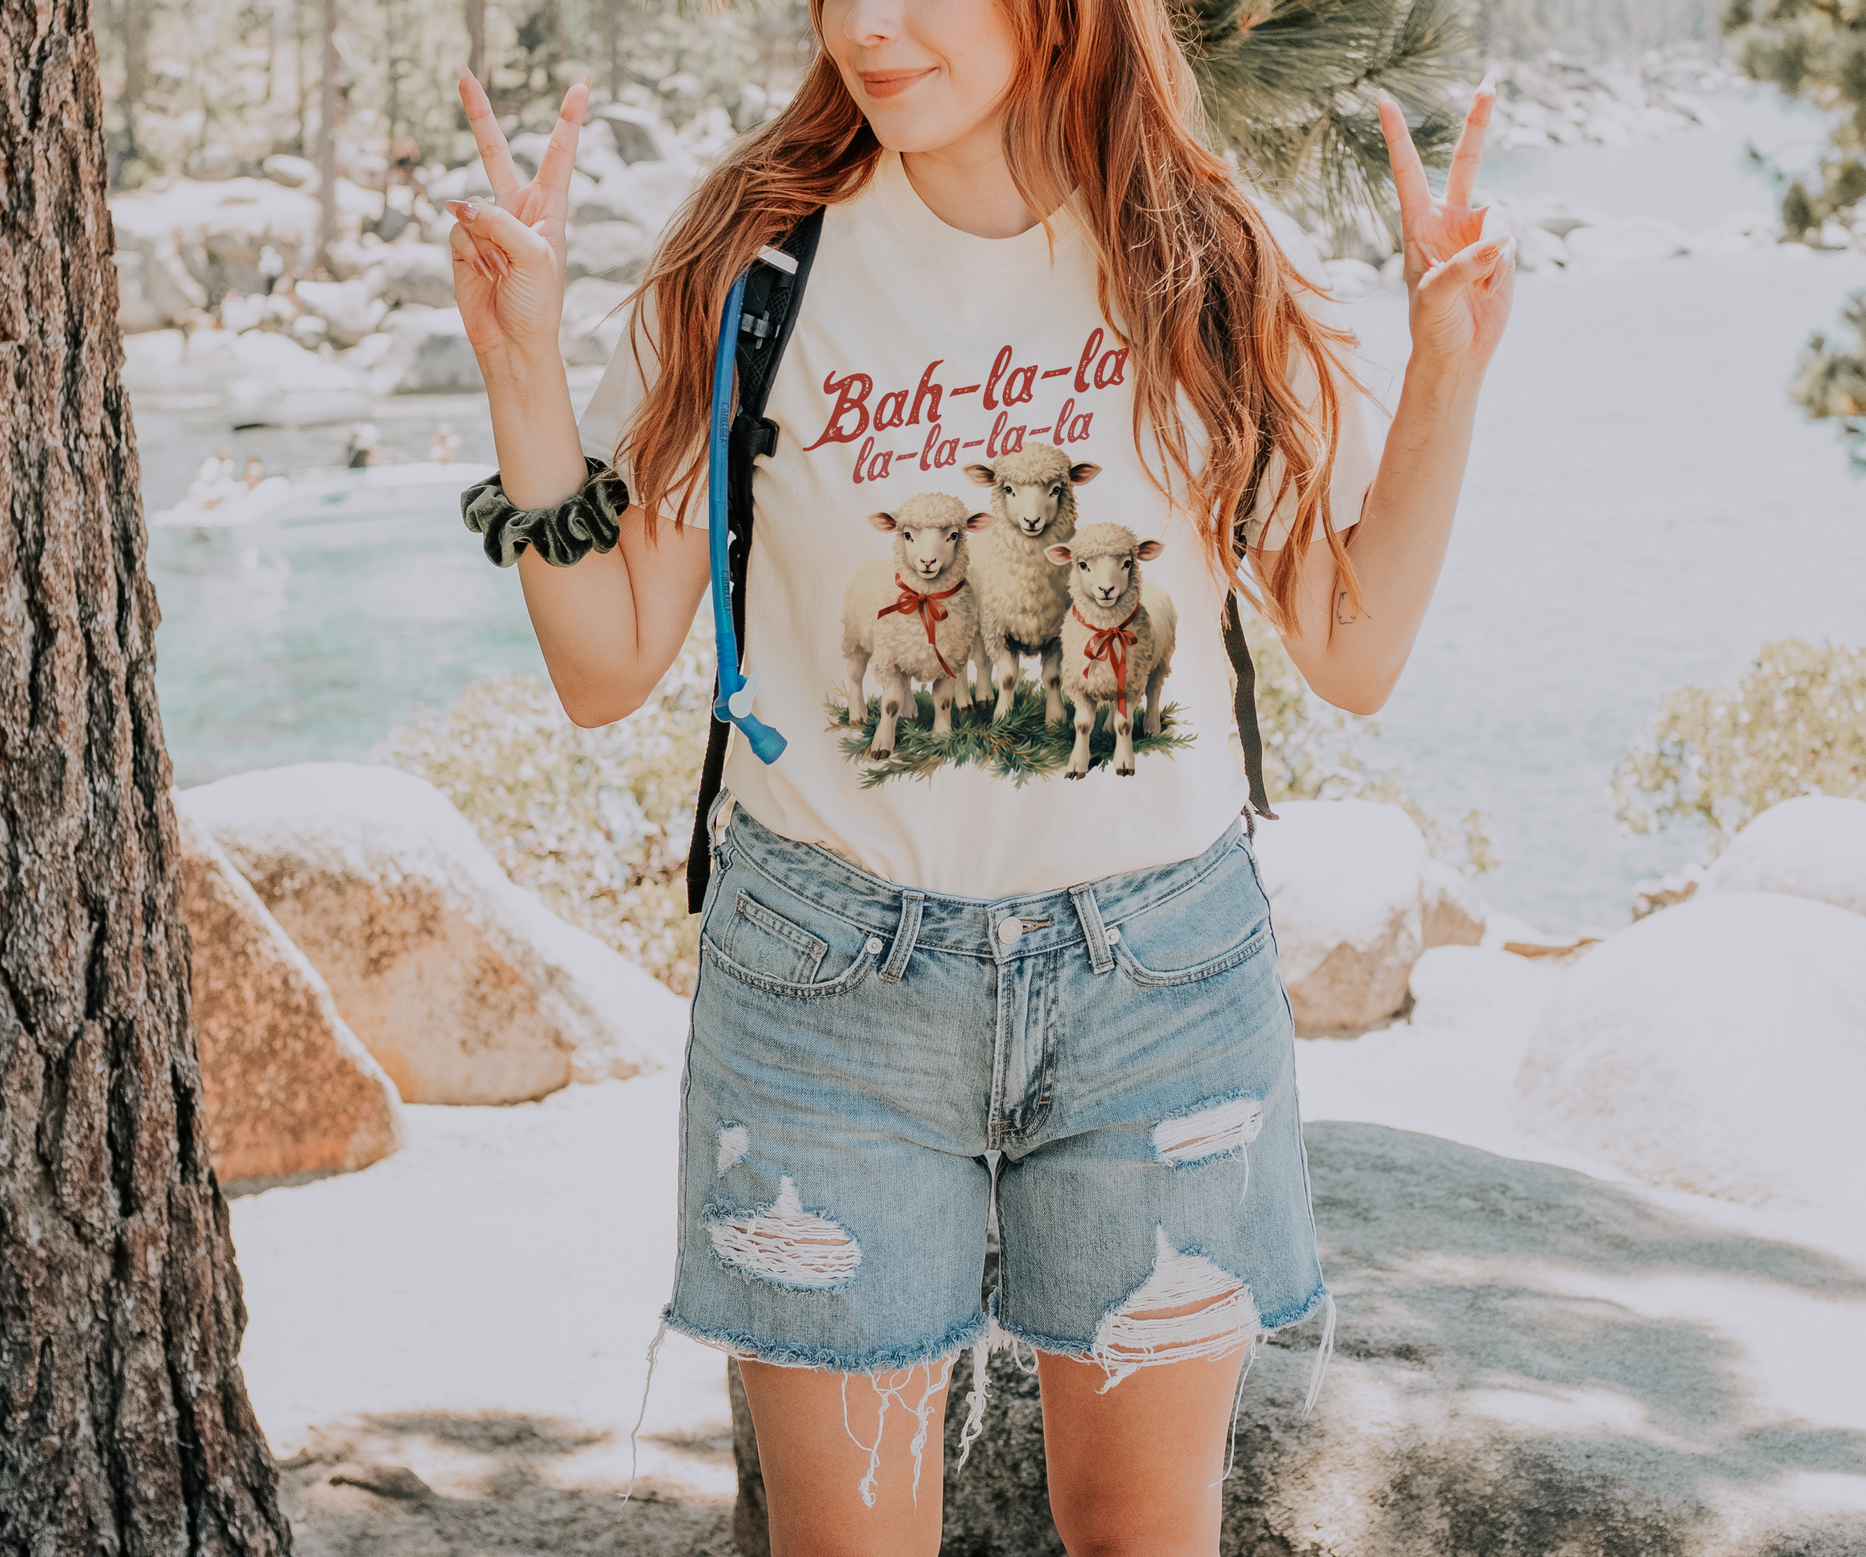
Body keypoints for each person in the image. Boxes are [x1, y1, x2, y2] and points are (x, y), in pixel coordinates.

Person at [444, 3, 1511, 1551]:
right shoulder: (754, 265)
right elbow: (607, 665)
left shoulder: (1204, 260)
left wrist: (1447, 371)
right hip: (827, 991)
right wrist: (521, 367)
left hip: (1158, 983)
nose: (865, 28)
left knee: (1144, 1531)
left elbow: (1350, 645)